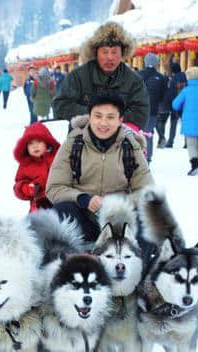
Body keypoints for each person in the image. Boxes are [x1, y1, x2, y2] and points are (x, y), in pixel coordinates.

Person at [46, 93, 152, 243]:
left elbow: (147, 192)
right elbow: (54, 187)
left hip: (120, 219)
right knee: (61, 212)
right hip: (83, 217)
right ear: (89, 117)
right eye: (98, 116)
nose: (103, 123)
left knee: (146, 220)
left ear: (120, 120)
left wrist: (116, 202)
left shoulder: (131, 146)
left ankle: (140, 263)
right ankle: (70, 262)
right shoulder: (73, 144)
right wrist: (83, 199)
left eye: (110, 117)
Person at [52, 22, 149, 131]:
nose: (110, 57)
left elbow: (141, 112)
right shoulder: (78, 76)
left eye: (114, 52)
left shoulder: (133, 80)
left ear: (122, 53)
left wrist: (113, 118)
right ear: (95, 53)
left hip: (119, 142)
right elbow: (60, 104)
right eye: (105, 52)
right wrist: (92, 115)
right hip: (82, 139)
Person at [13, 122, 61, 212]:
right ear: (25, 147)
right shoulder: (26, 164)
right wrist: (26, 189)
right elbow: (18, 184)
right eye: (31, 143)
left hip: (57, 200)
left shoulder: (57, 158)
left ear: (47, 142)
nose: (35, 146)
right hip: (38, 206)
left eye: (39, 141)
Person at [139, 52, 167, 163]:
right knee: (148, 134)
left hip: (137, 110)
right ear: (156, 64)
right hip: (153, 111)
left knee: (136, 134)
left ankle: (137, 157)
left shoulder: (137, 75)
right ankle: (147, 158)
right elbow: (164, 95)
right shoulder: (161, 78)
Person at [157, 61, 187, 148]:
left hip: (175, 104)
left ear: (173, 70)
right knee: (185, 124)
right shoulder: (186, 77)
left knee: (173, 124)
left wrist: (170, 104)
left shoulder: (173, 79)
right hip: (185, 105)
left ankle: (170, 142)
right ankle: (186, 142)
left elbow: (171, 93)